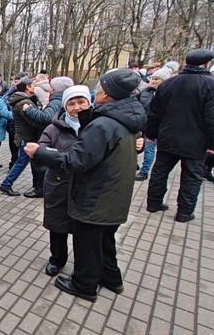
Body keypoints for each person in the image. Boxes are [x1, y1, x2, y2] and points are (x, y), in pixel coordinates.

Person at [25, 68, 145, 302]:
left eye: (99, 87)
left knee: (88, 244)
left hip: (96, 196)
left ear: (107, 94)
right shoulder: (124, 117)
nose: (97, 90)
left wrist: (40, 153)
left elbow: (75, 160)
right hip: (112, 195)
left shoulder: (103, 125)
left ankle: (84, 285)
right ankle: (111, 279)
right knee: (104, 242)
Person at [146, 49, 214, 222]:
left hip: (168, 137)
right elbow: (211, 118)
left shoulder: (168, 83)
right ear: (206, 64)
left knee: (160, 171)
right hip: (195, 142)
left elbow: (154, 112)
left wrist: (152, 133)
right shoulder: (210, 85)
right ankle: (184, 212)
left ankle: (153, 203)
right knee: (191, 177)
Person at [38, 85, 91, 277]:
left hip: (86, 186)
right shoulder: (54, 128)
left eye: (81, 102)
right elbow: (42, 150)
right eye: (72, 103)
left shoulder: (96, 125)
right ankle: (57, 259)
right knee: (57, 226)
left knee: (84, 230)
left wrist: (137, 146)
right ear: (65, 106)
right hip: (59, 184)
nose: (77, 107)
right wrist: (62, 157)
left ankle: (84, 265)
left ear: (89, 103)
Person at [0, 77, 43, 197]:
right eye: (33, 85)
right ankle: (6, 184)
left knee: (27, 162)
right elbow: (33, 121)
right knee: (21, 162)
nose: (35, 87)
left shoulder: (24, 100)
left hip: (26, 137)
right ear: (27, 87)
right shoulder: (24, 103)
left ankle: (37, 186)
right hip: (26, 138)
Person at [134, 67, 172, 181]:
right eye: (153, 78)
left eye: (157, 79)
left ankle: (144, 172)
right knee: (137, 146)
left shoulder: (167, 94)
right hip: (142, 125)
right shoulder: (144, 92)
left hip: (155, 128)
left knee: (149, 150)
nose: (153, 81)